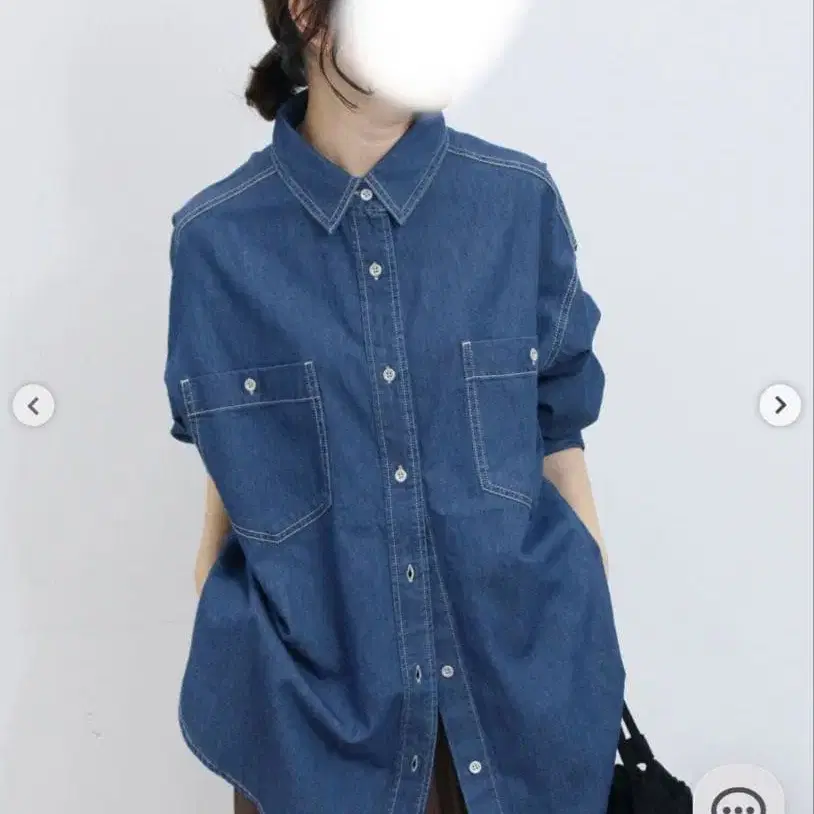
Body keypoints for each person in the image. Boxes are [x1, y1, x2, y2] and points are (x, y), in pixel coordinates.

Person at [163, 1, 626, 812]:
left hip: (520, 715)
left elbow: (559, 431)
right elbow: (231, 463)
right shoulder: (218, 238)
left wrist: (586, 618)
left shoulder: (514, 202)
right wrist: (218, 595)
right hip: (315, 740)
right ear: (309, 16)